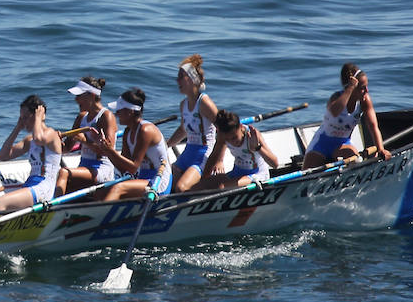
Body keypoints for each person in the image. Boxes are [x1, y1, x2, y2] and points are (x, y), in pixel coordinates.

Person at [81, 88, 172, 202]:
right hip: (142, 177)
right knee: (100, 192)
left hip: (158, 180)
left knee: (118, 188)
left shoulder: (146, 130)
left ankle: (104, 212)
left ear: (130, 112)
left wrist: (111, 150)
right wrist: (106, 150)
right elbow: (123, 169)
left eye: (119, 110)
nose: (116, 114)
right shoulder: (127, 132)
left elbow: (133, 167)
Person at [303, 63, 391, 168]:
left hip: (342, 144)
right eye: (363, 88)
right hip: (321, 143)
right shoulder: (335, 98)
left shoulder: (365, 100)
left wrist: (380, 149)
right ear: (352, 87)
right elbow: (335, 112)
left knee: (357, 162)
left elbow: (373, 127)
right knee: (306, 172)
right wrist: (350, 88)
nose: (367, 91)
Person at [0, 95, 64, 212]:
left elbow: (39, 139)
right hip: (31, 185)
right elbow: (3, 156)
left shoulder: (51, 134)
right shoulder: (29, 140)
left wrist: (38, 119)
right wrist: (18, 128)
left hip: (44, 187)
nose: (24, 121)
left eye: (26, 117)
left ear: (37, 115)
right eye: (21, 118)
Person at [167, 54, 220, 193]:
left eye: (181, 77)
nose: (177, 80)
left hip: (204, 154)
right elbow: (183, 130)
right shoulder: (183, 104)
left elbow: (224, 130)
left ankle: (211, 185)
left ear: (192, 79)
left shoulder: (205, 103)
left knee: (181, 188)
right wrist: (166, 145)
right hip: (188, 152)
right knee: (166, 184)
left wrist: (219, 160)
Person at [56, 76, 118, 194]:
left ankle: (53, 205)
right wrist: (54, 141)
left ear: (92, 96)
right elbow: (66, 148)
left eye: (79, 96)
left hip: (102, 169)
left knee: (64, 173)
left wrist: (84, 141)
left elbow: (108, 151)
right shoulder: (81, 117)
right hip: (84, 167)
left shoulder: (106, 116)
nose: (76, 100)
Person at [197, 110, 279, 190]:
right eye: (227, 139)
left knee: (220, 187)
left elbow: (275, 164)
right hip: (237, 172)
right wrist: (204, 179)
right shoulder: (222, 135)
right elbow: (213, 157)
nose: (232, 142)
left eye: (234, 137)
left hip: (257, 174)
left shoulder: (252, 135)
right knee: (200, 185)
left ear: (241, 127)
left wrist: (257, 147)